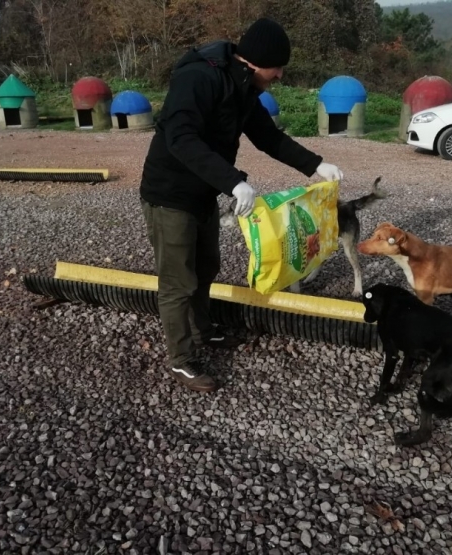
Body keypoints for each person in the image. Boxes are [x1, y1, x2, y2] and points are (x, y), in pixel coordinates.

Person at [139, 17, 344, 393]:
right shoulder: (199, 79)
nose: (281, 74)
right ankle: (181, 361)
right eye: (278, 66)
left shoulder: (244, 87)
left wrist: (315, 165)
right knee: (178, 282)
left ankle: (204, 333)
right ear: (257, 61)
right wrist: (233, 181)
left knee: (207, 267)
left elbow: (268, 137)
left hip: (204, 191)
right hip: (170, 194)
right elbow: (180, 138)